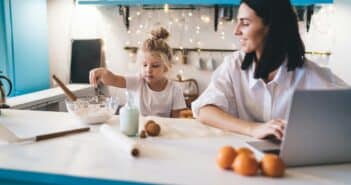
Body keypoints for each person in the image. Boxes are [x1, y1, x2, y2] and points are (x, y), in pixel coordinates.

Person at [192, 0, 349, 140]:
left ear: (271, 27)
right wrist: (253, 129)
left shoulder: (309, 75)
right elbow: (205, 111)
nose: (236, 31)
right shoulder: (233, 65)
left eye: (245, 23)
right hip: (239, 159)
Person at [90, 27, 187, 118]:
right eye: (145, 65)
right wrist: (103, 72)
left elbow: (177, 119)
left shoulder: (175, 89)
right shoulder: (137, 81)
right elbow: (114, 80)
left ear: (166, 68)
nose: (148, 70)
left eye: (155, 66)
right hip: (135, 129)